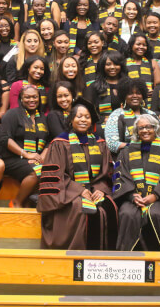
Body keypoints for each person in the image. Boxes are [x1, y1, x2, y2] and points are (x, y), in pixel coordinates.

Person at [38, 102, 117, 250]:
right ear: (71, 119)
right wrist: (79, 191)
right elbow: (56, 175)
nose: (83, 120)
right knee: (80, 208)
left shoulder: (100, 143)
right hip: (68, 193)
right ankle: (77, 255)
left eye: (87, 117)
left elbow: (107, 172)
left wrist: (101, 189)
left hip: (94, 190)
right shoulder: (60, 143)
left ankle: (106, 257)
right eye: (79, 116)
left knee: (108, 207)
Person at [114, 114, 160, 251]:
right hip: (133, 199)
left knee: (156, 214)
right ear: (136, 131)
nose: (145, 130)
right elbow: (121, 176)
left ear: (156, 129)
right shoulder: (126, 152)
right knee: (127, 214)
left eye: (149, 127)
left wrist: (156, 195)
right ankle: (126, 259)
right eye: (141, 128)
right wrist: (132, 196)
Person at [1, 85, 49, 208]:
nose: (31, 100)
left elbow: (48, 141)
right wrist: (26, 154)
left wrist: (41, 157)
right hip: (13, 158)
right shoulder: (12, 114)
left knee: (47, 169)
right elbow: (5, 139)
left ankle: (29, 203)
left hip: (34, 159)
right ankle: (16, 202)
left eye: (34, 97)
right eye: (27, 97)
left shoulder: (42, 117)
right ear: (21, 99)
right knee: (36, 171)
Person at [104, 78, 160, 155]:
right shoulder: (116, 115)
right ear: (124, 96)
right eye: (130, 93)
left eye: (138, 93)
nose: (135, 96)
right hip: (127, 157)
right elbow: (112, 144)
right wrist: (139, 147)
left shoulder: (151, 114)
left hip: (153, 156)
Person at [83, 50, 126, 125]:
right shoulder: (93, 87)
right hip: (101, 126)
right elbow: (86, 110)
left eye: (116, 64)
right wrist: (103, 119)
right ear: (102, 66)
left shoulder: (128, 85)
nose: (112, 67)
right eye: (108, 64)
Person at [124, 33, 160, 98]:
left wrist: (154, 92)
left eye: (144, 45)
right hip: (130, 99)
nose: (141, 47)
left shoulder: (153, 63)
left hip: (149, 101)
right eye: (138, 44)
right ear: (131, 45)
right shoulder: (124, 63)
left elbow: (158, 85)